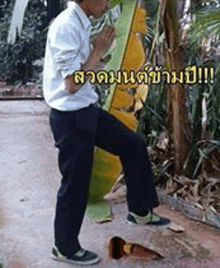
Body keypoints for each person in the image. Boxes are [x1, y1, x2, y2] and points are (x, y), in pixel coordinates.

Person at [43, 0, 170, 265]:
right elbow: (70, 84)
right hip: (71, 117)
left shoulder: (80, 21)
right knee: (75, 184)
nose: (108, 2)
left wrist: (98, 57)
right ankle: (64, 248)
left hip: (87, 109)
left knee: (132, 144)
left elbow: (83, 71)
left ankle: (140, 210)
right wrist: (97, 50)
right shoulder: (66, 26)